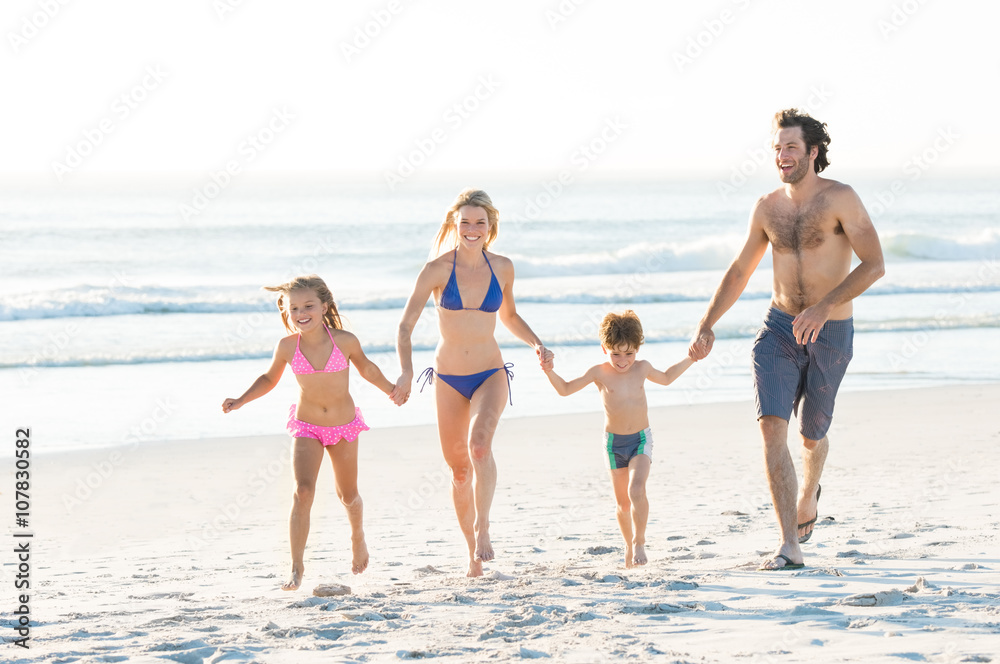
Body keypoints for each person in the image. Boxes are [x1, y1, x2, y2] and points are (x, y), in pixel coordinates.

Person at [689, 109, 885, 571]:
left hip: (830, 330)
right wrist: (707, 322)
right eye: (777, 148)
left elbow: (874, 264)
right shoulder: (767, 208)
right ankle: (787, 545)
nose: (782, 156)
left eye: (791, 147)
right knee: (771, 429)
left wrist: (823, 307)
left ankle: (809, 492)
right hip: (778, 328)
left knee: (812, 435)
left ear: (813, 152)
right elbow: (741, 269)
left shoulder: (842, 199)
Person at [392, 188, 548, 577]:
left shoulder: (503, 267)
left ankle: (484, 528)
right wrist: (407, 372)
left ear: (491, 225)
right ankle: (471, 554)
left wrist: (537, 342)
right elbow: (405, 326)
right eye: (465, 222)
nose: (472, 229)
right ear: (454, 224)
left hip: (490, 373)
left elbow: (509, 317)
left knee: (479, 447)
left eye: (480, 222)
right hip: (447, 379)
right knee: (459, 471)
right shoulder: (437, 270)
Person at [222, 275, 399, 590]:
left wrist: (392, 390)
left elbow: (368, 369)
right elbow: (268, 378)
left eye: (308, 306)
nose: (301, 313)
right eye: (294, 308)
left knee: (348, 495)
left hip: (344, 426)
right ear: (286, 311)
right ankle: (296, 567)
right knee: (303, 491)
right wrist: (240, 400)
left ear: (324, 306)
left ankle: (357, 537)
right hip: (307, 426)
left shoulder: (344, 341)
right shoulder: (288, 347)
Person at [540, 311, 694, 568]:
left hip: (641, 440)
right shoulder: (598, 373)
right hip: (613, 445)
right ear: (604, 348)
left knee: (636, 490)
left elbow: (667, 378)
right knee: (622, 504)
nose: (623, 361)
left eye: (629, 353)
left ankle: (640, 542)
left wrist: (691, 358)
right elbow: (565, 389)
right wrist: (548, 371)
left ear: (638, 348)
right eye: (616, 354)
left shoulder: (642, 368)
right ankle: (628, 543)